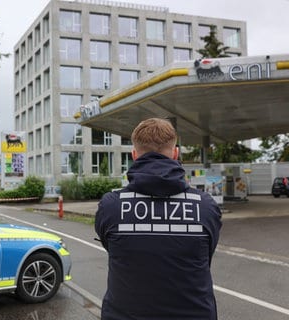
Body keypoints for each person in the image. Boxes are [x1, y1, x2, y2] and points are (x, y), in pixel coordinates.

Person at [95, 118, 222, 320]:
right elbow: (207, 256)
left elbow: (111, 246)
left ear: (134, 155)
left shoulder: (111, 206)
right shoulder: (205, 206)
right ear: (175, 153)